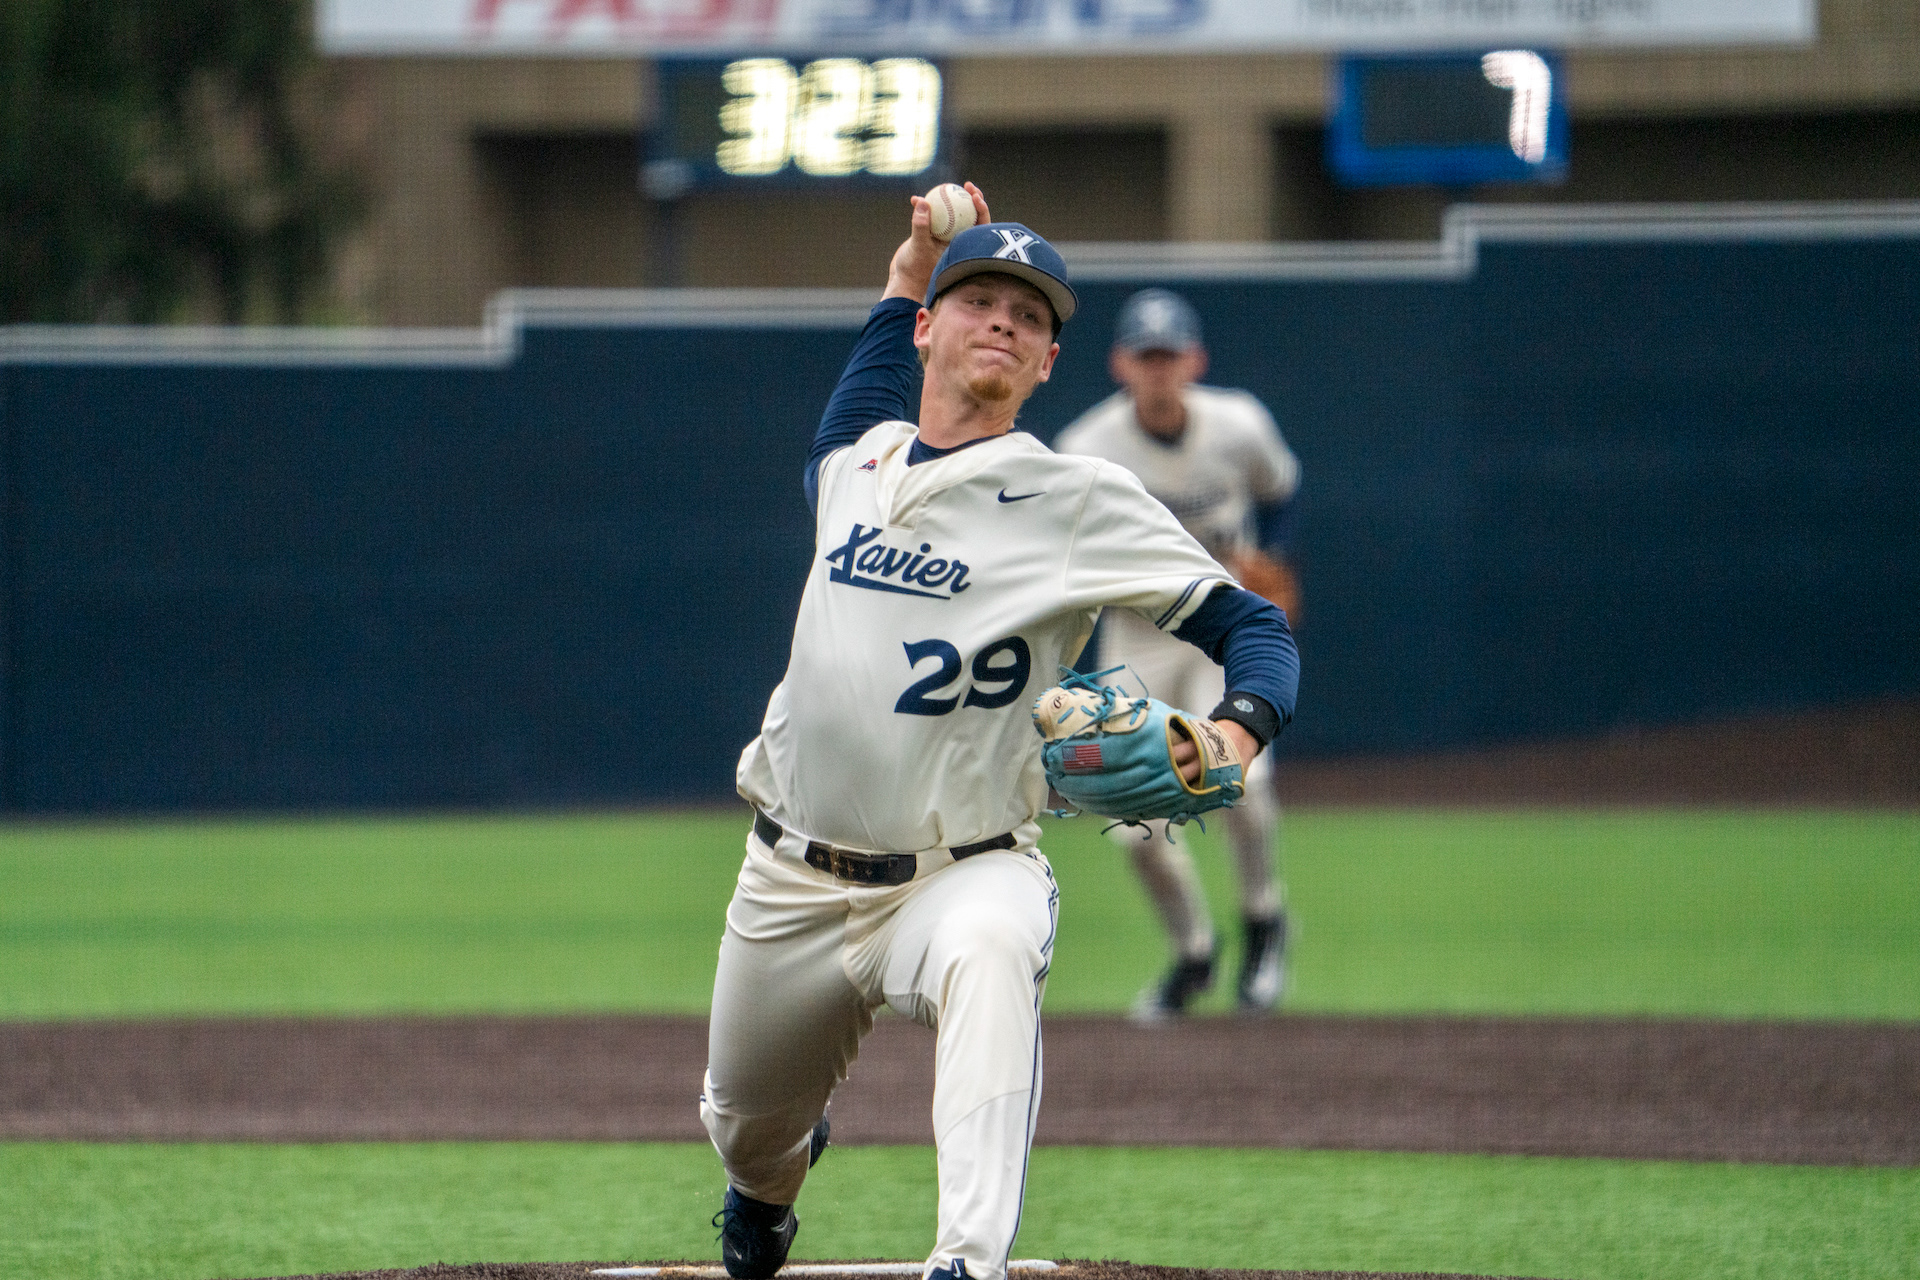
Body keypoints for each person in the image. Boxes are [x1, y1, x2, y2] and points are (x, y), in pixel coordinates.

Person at [701, 186, 1299, 1280]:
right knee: (746, 1132)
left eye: (1030, 317)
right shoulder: (855, 465)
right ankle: (768, 1181)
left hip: (963, 868)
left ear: (1047, 363)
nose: (1004, 323)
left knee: (991, 947)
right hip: (790, 876)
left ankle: (966, 1261)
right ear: (930, 328)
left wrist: (1236, 731)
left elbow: (1252, 625)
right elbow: (869, 370)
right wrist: (906, 268)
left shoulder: (1076, 496)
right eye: (979, 300)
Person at [1054, 288, 1303, 1020]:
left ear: (1194, 360)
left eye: (1169, 354)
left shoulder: (1239, 423)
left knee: (1242, 784)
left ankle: (1263, 920)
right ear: (1121, 364)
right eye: (1146, 355)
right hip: (1140, 633)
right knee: (1134, 822)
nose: (1158, 368)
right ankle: (1193, 952)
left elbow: (1282, 491)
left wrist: (1275, 556)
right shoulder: (1086, 446)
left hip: (1220, 623)